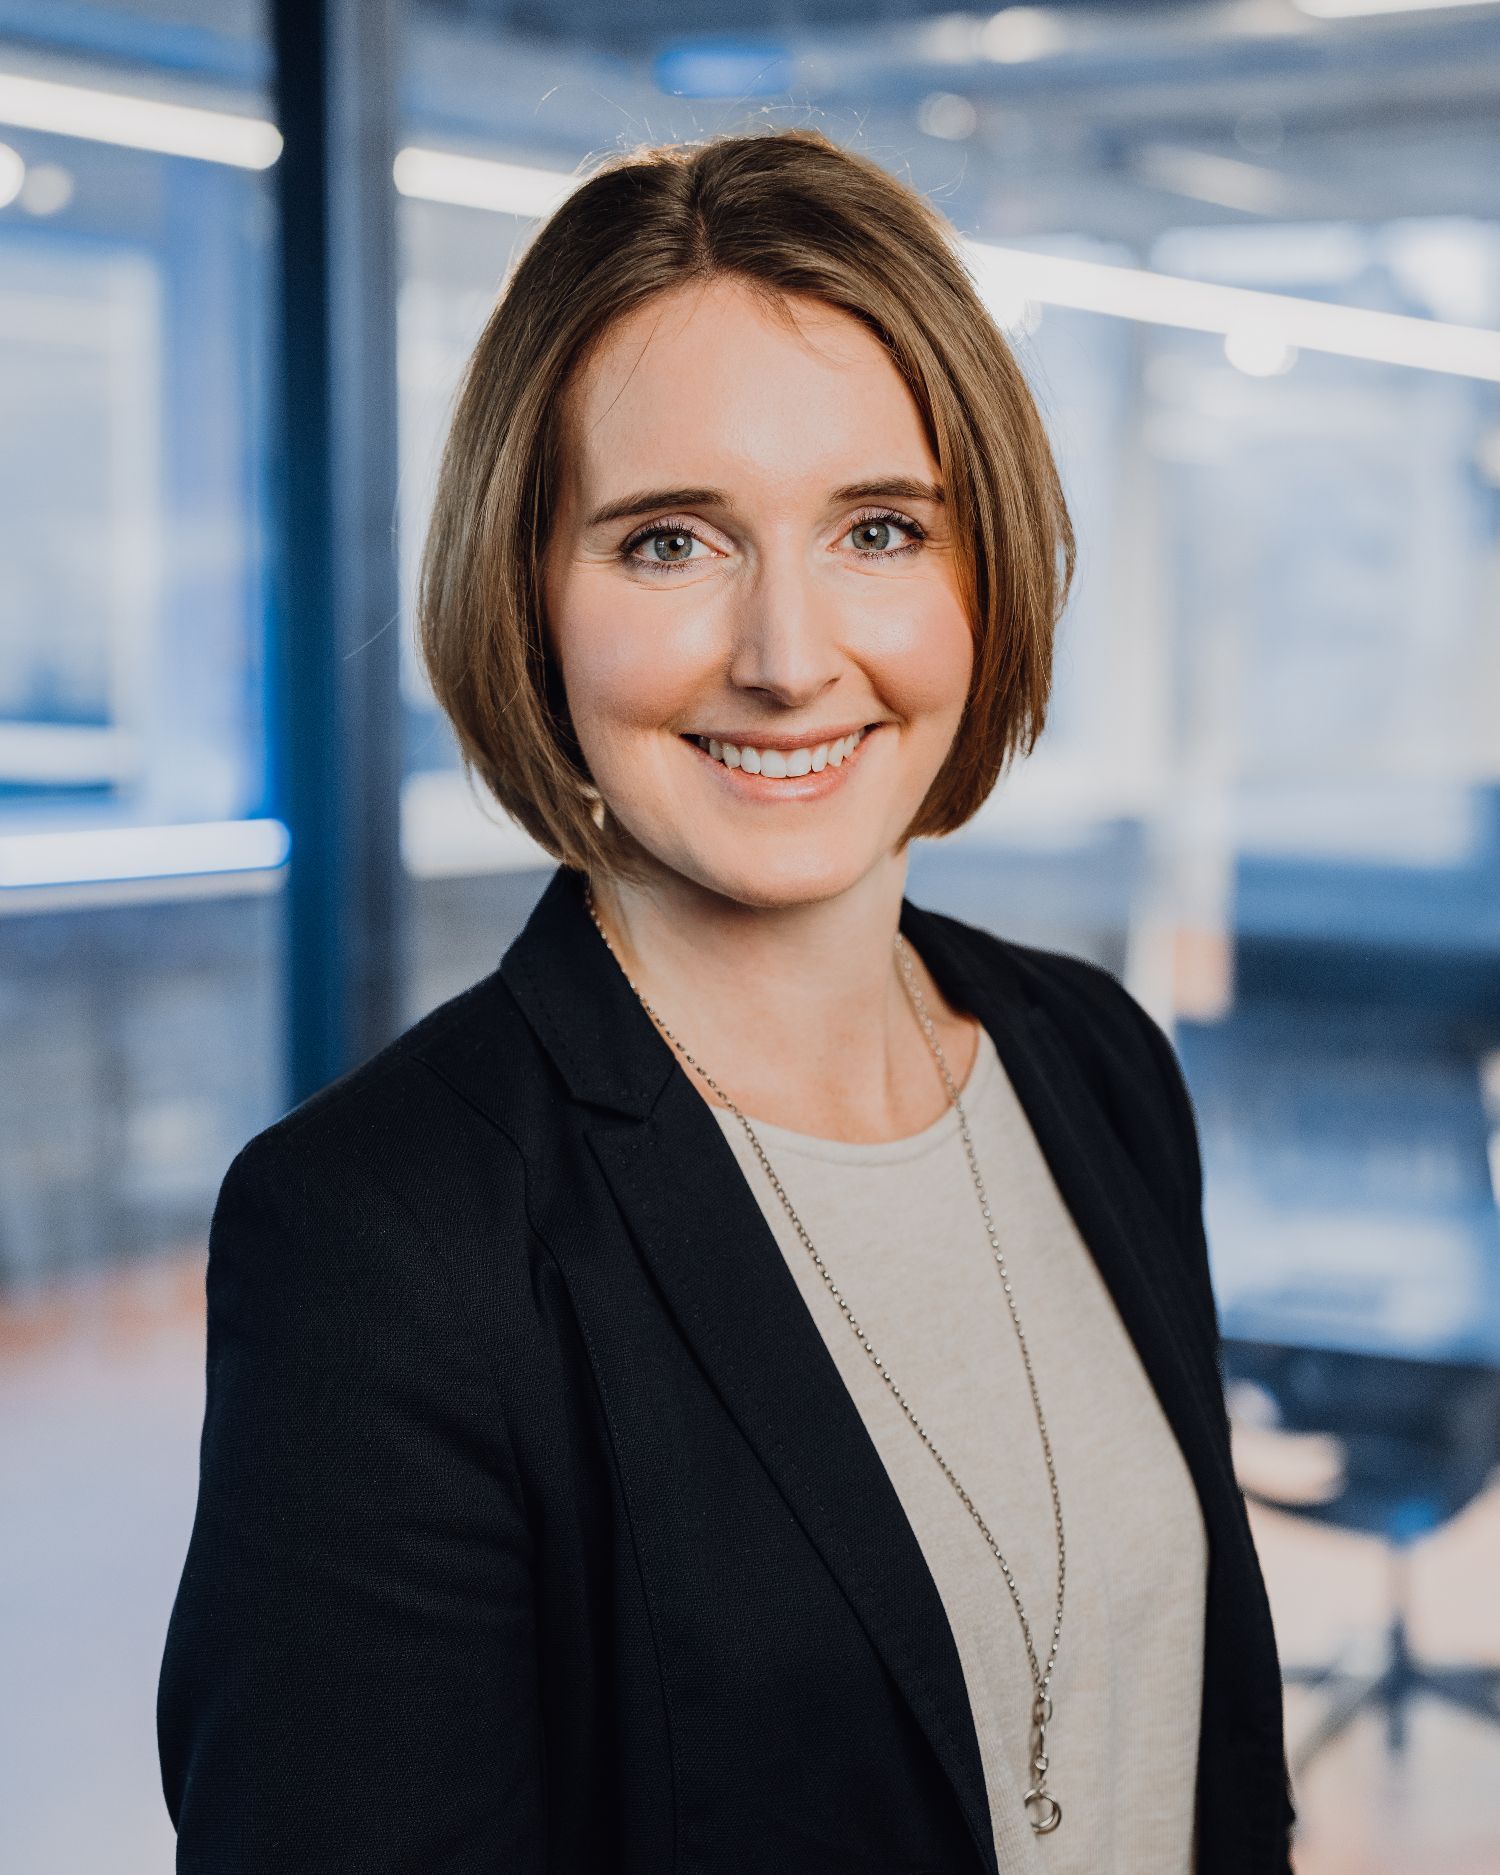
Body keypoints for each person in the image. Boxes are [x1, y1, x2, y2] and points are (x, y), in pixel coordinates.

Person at [157, 126, 1297, 1874]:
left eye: (879, 527)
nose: (785, 653)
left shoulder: (1095, 1064)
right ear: (528, 598)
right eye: (671, 540)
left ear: (981, 572)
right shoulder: (383, 1238)